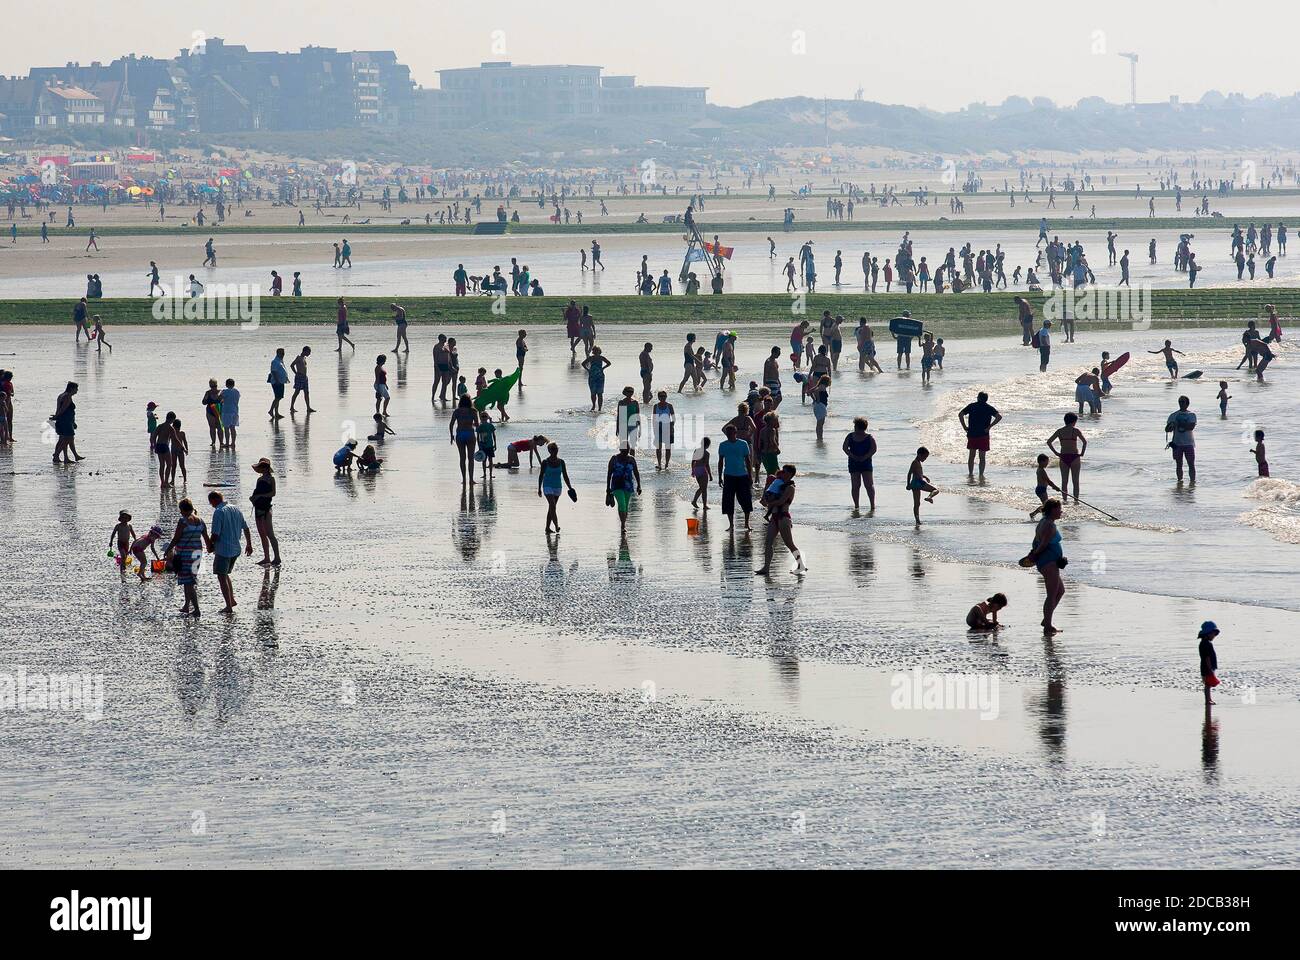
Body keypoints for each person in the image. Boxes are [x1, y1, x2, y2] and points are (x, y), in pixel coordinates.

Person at [208, 490, 253, 614]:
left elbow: (215, 534)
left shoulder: (219, 512)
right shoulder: (235, 508)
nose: (211, 505)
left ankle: (228, 606)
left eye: (211, 503)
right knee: (225, 574)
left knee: (221, 577)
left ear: (214, 500)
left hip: (223, 549)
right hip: (236, 549)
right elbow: (246, 528)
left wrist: (210, 546)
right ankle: (231, 599)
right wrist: (249, 544)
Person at [1024, 498, 1066, 634]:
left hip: (1049, 561)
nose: (1061, 512)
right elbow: (1043, 544)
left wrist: (1033, 552)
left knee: (1060, 591)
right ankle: (1048, 626)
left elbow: (1036, 540)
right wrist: (1035, 554)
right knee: (1052, 594)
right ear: (1053, 510)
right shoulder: (1049, 525)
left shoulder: (1044, 522)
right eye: (1059, 509)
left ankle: (1046, 619)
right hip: (1048, 562)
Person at [755, 464, 805, 575]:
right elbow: (769, 497)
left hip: (783, 517)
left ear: (791, 474)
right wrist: (765, 496)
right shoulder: (777, 484)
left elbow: (781, 501)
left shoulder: (790, 488)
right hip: (774, 517)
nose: (782, 473)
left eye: (785, 472)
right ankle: (766, 568)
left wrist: (768, 502)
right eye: (782, 471)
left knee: (789, 544)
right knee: (768, 542)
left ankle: (801, 565)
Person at [166, 498, 211, 617]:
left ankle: (196, 609)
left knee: (189, 582)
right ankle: (186, 605)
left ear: (183, 509)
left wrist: (168, 549)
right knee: (190, 579)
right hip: (198, 553)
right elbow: (206, 538)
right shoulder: (200, 520)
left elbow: (176, 538)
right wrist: (211, 548)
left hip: (185, 554)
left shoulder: (183, 521)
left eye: (180, 510)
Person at [717, 423, 753, 531]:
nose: (729, 435)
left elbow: (748, 460)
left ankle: (747, 523)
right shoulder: (723, 445)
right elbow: (720, 461)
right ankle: (731, 524)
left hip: (742, 475)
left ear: (735, 433)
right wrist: (719, 477)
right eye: (727, 433)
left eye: (731, 433)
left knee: (745, 500)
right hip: (728, 475)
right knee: (728, 501)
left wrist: (750, 476)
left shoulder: (743, 444)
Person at [958, 391, 1002, 480]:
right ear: (986, 399)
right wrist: (989, 427)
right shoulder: (988, 408)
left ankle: (970, 474)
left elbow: (960, 414)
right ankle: (981, 475)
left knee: (972, 455)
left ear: (978, 398)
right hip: (983, 434)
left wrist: (964, 427)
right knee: (982, 457)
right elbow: (999, 417)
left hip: (972, 433)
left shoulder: (972, 406)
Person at [1047, 413, 1087, 503]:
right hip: (1075, 457)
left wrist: (1056, 453)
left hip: (1063, 456)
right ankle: (1076, 501)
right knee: (1075, 481)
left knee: (1064, 481)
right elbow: (1084, 442)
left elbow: (1049, 442)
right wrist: (1082, 453)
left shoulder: (1059, 431)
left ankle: (1065, 501)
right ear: (1074, 421)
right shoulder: (1076, 431)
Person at [538, 442, 575, 534]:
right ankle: (556, 525)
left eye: (556, 448)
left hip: (557, 487)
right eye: (553, 449)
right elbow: (541, 475)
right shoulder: (545, 462)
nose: (555, 450)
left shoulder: (561, 462)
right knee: (553, 505)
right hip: (547, 486)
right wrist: (539, 488)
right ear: (549, 450)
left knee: (551, 508)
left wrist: (570, 487)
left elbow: (565, 476)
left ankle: (547, 528)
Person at [250, 457, 280, 566]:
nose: (262, 470)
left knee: (270, 534)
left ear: (266, 468)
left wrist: (260, 495)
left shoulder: (271, 479)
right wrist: (253, 498)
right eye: (261, 468)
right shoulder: (259, 480)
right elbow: (256, 493)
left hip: (267, 508)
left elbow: (273, 493)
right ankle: (266, 557)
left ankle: (277, 557)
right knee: (262, 534)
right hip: (258, 507)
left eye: (263, 468)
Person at [842, 417, 877, 512]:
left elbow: (873, 449)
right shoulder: (850, 436)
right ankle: (856, 505)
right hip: (853, 463)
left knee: (869, 485)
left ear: (859, 427)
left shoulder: (870, 437)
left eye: (855, 426)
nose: (854, 428)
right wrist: (853, 456)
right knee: (855, 485)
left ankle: (872, 505)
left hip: (866, 464)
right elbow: (845, 448)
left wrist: (864, 457)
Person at [605, 443, 641, 533]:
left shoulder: (632, 459)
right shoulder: (614, 459)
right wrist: (608, 488)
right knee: (622, 504)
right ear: (620, 449)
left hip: (628, 486)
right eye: (624, 449)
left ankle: (623, 523)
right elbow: (609, 473)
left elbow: (636, 472)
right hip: (616, 486)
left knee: (626, 506)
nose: (626, 451)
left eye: (627, 449)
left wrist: (639, 485)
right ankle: (623, 525)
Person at [1165, 395, 1197, 483]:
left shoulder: (1191, 415)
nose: (1181, 404)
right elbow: (1167, 430)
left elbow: (1191, 427)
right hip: (1177, 443)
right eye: (1180, 402)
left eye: (1183, 402)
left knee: (1191, 464)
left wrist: (1178, 424)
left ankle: (1192, 482)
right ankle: (1180, 482)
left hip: (1189, 443)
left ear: (1187, 403)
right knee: (1179, 464)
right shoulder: (1173, 415)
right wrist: (1170, 426)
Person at [449, 395, 480, 485]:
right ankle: (471, 479)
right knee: (471, 459)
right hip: (470, 434)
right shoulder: (473, 411)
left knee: (462, 458)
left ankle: (464, 479)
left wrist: (451, 435)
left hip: (460, 434)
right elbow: (477, 425)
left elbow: (451, 424)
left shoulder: (457, 411)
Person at [51, 381, 82, 463]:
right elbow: (63, 409)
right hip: (66, 421)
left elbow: (58, 409)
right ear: (72, 388)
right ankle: (56, 455)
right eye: (76, 389)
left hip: (63, 421)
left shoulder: (61, 395)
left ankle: (66, 458)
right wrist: (56, 416)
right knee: (68, 439)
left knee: (63, 439)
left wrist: (56, 416)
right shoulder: (67, 396)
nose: (77, 390)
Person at [906, 447, 938, 524]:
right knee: (935, 490)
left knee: (917, 503)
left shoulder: (917, 462)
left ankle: (917, 521)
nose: (925, 459)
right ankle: (929, 497)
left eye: (926, 457)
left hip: (915, 484)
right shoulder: (915, 462)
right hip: (918, 482)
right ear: (919, 454)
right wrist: (908, 484)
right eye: (924, 457)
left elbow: (918, 473)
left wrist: (925, 476)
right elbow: (909, 473)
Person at [1198, 621, 1221, 707]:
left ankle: (1209, 699)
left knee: (1208, 684)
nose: (1214, 636)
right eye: (1213, 634)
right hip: (1207, 667)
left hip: (1204, 666)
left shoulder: (1203, 643)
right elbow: (1207, 658)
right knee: (1208, 684)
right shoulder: (1207, 644)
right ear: (1208, 633)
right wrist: (1210, 669)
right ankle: (1208, 700)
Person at [582, 347, 611, 411]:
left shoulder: (601, 358)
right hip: (592, 376)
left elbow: (609, 363)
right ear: (593, 351)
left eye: (597, 350)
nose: (596, 352)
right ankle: (594, 405)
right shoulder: (591, 358)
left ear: (599, 351)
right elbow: (583, 364)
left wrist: (603, 368)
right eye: (594, 350)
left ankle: (600, 408)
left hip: (600, 376)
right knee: (593, 393)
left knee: (600, 393)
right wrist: (588, 369)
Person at [652, 392, 675, 470]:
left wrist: (672, 425)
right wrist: (654, 429)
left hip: (668, 427)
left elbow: (673, 418)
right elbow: (654, 419)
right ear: (658, 397)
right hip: (658, 428)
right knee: (658, 447)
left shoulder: (669, 406)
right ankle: (659, 464)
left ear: (666, 397)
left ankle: (667, 464)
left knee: (668, 448)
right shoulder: (655, 406)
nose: (663, 397)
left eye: (664, 396)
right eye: (661, 396)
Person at [290, 346, 315, 414]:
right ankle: (291, 407)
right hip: (299, 377)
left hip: (305, 378)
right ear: (305, 351)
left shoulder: (304, 358)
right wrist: (296, 373)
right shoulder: (298, 358)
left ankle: (308, 408)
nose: (309, 354)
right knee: (296, 392)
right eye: (308, 352)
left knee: (306, 393)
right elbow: (292, 365)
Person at [690, 437, 713, 511]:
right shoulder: (706, 453)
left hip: (697, 470)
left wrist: (693, 470)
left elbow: (693, 461)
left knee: (701, 488)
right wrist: (710, 474)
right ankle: (704, 505)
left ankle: (694, 501)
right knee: (704, 489)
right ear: (708, 445)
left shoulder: (696, 450)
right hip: (703, 470)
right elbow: (707, 465)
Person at [219, 378, 240, 449]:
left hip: (226, 411)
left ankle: (227, 443)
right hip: (235, 411)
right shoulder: (237, 391)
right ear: (233, 384)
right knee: (233, 428)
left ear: (226, 384)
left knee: (226, 428)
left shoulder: (225, 391)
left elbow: (219, 398)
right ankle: (233, 443)